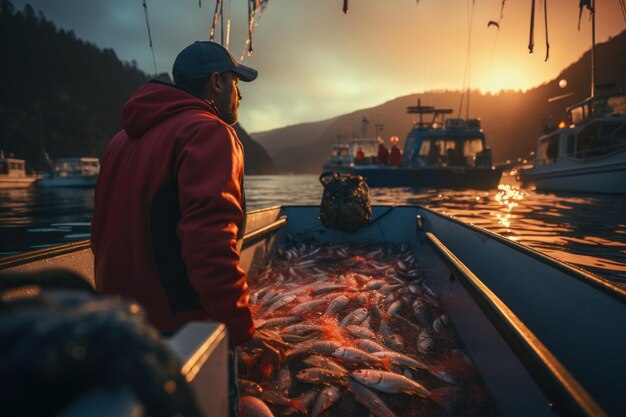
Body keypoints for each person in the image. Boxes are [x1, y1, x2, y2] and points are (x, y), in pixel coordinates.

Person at [90, 41, 282, 417]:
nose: (239, 94)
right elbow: (210, 245)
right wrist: (240, 329)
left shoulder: (118, 142)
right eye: (235, 82)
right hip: (183, 331)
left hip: (123, 328)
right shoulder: (209, 132)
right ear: (216, 82)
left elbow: (99, 236)